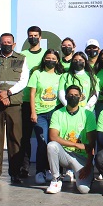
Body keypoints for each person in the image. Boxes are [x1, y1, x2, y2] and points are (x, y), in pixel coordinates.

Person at [0, 33, 30, 184]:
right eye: (3, 42)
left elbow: (23, 80)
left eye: (9, 42)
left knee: (15, 139)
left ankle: (15, 172)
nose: (6, 44)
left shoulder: (21, 59)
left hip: (14, 104)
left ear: (14, 44)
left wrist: (8, 93)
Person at [45, 85, 96, 194]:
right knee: (52, 145)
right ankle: (56, 180)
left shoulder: (88, 115)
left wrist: (88, 166)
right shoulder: (57, 113)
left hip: (81, 157)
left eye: (76, 95)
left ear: (81, 97)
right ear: (66, 97)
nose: (73, 97)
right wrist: (75, 144)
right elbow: (53, 136)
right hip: (65, 154)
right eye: (71, 95)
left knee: (84, 190)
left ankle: (88, 176)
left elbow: (91, 144)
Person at [28, 49, 64, 184]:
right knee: (42, 143)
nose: (50, 61)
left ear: (57, 61)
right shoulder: (37, 73)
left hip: (55, 113)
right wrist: (33, 112)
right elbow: (32, 94)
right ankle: (40, 171)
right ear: (44, 59)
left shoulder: (61, 75)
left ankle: (51, 170)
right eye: (48, 58)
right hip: (40, 114)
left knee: (53, 143)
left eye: (53, 59)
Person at [20, 25, 44, 178]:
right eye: (30, 35)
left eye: (35, 35)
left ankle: (45, 169)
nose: (33, 38)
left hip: (42, 103)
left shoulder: (46, 55)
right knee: (24, 137)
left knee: (43, 138)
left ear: (40, 37)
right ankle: (24, 167)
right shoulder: (22, 55)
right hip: (24, 101)